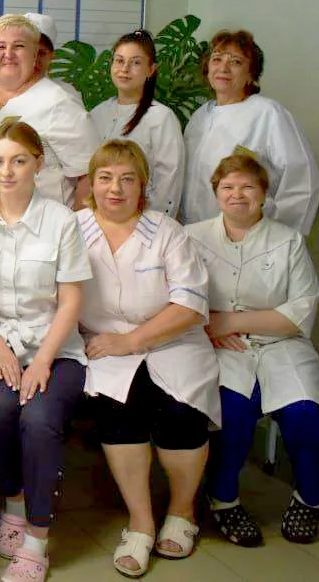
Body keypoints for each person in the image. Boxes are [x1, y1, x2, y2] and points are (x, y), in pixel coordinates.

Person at [78, 140, 218, 578]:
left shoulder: (167, 232)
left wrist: (133, 340)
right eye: (105, 178)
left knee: (181, 411)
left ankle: (181, 511)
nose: (115, 188)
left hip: (172, 341)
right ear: (91, 184)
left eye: (127, 179)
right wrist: (116, 343)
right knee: (118, 408)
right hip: (103, 344)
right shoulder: (73, 229)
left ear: (143, 185)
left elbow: (190, 304)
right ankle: (140, 522)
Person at [0, 120, 90, 582]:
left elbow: (71, 300)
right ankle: (13, 503)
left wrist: (42, 360)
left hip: (56, 348)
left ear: (38, 164)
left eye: (18, 161)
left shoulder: (61, 221)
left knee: (38, 419)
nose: (7, 171)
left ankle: (37, 540)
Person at [186, 154, 319, 547]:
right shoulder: (192, 237)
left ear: (264, 194)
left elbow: (300, 312)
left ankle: (309, 499)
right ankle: (224, 499)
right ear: (215, 193)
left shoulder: (288, 241)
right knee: (231, 412)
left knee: (305, 414)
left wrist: (227, 321)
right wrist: (208, 327)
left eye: (248, 187)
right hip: (220, 347)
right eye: (228, 187)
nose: (238, 195)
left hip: (282, 345)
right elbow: (178, 300)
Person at [181, 29, 319, 234]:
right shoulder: (199, 117)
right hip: (196, 233)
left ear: (251, 74)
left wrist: (275, 234)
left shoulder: (268, 114)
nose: (223, 68)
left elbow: (304, 183)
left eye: (236, 62)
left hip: (249, 236)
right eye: (217, 59)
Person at [0, 15, 98, 209]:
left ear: (34, 54)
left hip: (47, 223)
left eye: (19, 46)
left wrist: (77, 224)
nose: (8, 54)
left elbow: (89, 173)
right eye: (0, 47)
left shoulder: (59, 103)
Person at [90, 31, 185, 217]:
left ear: (151, 70)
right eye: (119, 61)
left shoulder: (161, 117)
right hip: (100, 217)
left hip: (144, 219)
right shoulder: (97, 114)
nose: (124, 69)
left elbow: (168, 182)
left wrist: (149, 224)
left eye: (135, 63)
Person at [21, 12, 81, 102]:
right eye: (26, 52)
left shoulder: (66, 96)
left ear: (52, 56)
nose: (33, 59)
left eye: (41, 53)